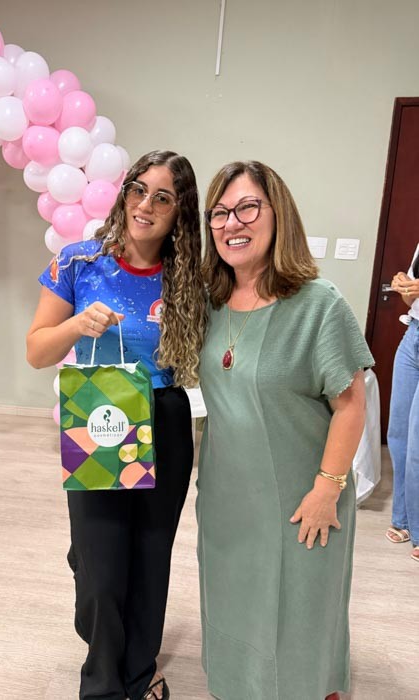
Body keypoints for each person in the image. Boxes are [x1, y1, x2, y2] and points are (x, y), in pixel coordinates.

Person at [26, 150, 206, 700]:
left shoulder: (190, 277)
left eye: (162, 197)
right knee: (101, 569)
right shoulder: (79, 262)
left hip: (164, 417)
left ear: (179, 212)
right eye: (137, 189)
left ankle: (137, 673)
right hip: (100, 415)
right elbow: (36, 350)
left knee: (150, 557)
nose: (145, 205)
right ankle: (102, 683)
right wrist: (77, 324)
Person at [196, 160, 374, 700]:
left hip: (303, 498)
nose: (232, 223)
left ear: (279, 215)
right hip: (228, 495)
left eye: (247, 207)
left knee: (300, 612)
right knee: (232, 600)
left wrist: (328, 489)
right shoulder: (209, 302)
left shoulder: (318, 303)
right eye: (220, 213)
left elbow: (352, 406)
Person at [386, 242, 419, 563]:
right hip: (413, 336)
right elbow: (412, 299)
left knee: (418, 442)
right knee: (398, 436)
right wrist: (404, 287)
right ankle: (404, 519)